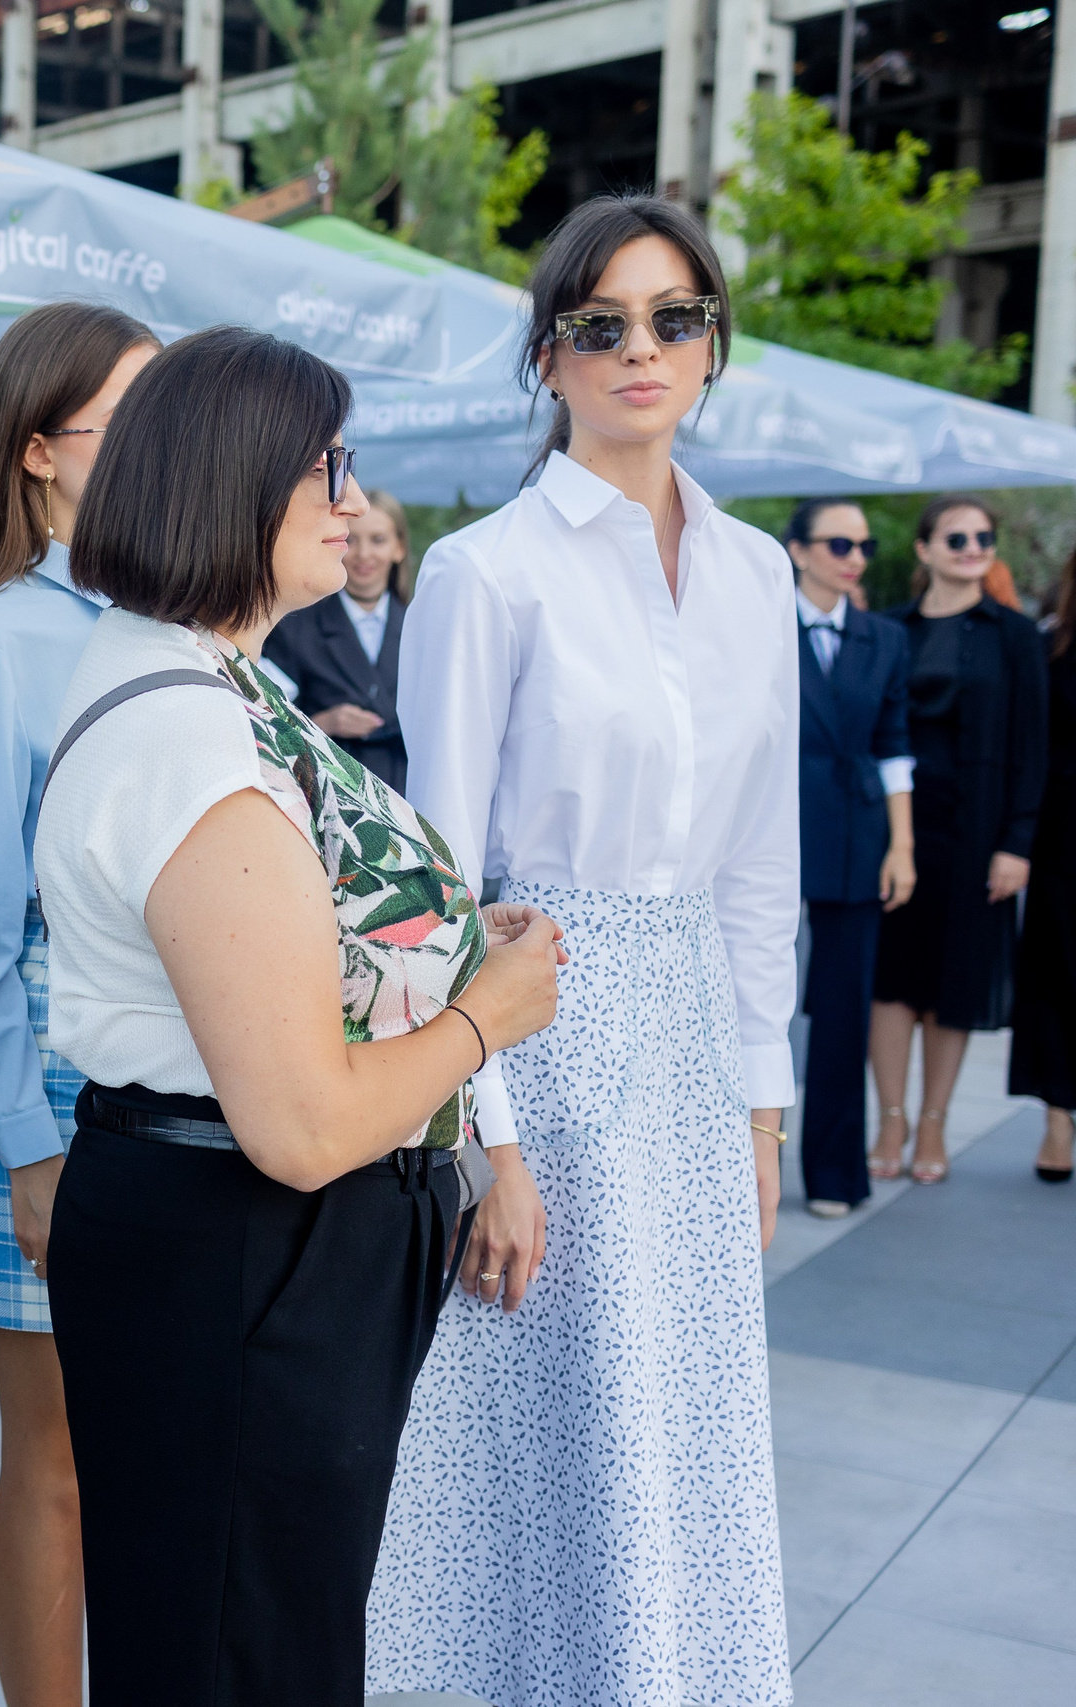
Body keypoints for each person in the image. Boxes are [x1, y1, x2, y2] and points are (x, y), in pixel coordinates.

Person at [37, 323, 561, 1707]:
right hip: (245, 1242)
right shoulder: (190, 732)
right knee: (244, 1648)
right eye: (327, 466)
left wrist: (437, 945)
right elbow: (306, 1122)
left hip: (236, 1241)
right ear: (232, 481)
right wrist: (488, 1014)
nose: (352, 498)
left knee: (252, 1629)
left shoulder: (208, 677)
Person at [368, 193, 800, 1707]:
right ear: (547, 357)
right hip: (537, 1035)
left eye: (675, 317)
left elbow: (762, 865)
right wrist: (489, 1139)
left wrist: (763, 1103)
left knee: (681, 1431)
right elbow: (432, 877)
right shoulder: (490, 571)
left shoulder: (757, 574)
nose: (642, 349)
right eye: (602, 324)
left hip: (691, 1049)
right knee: (548, 1441)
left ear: (712, 345)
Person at [0, 300, 155, 1707]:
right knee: (57, 1454)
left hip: (194, 1069)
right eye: (114, 424)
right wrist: (28, 1140)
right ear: (34, 456)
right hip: (50, 1083)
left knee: (169, 1453)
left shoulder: (184, 618)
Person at [869, 496, 1047, 1185]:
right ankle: (890, 1119)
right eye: (958, 536)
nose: (973, 545)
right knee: (890, 982)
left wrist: (1018, 842)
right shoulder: (891, 630)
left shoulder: (1015, 635)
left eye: (984, 537)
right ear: (924, 549)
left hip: (978, 834)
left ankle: (934, 1124)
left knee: (956, 984)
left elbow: (1034, 748)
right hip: (897, 834)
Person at [783, 498, 915, 1217]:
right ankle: (747, 1169)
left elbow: (896, 743)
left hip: (860, 834)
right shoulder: (761, 627)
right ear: (800, 551)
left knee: (842, 1010)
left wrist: (904, 844)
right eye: (839, 543)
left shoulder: (884, 638)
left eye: (862, 545)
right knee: (759, 1004)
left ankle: (835, 1173)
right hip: (774, 830)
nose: (855, 557)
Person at [260, 484, 411, 790]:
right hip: (332, 792)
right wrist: (324, 722)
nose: (364, 555)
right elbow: (266, 722)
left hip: (410, 793)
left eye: (378, 540)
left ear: (399, 548)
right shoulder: (292, 628)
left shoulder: (423, 627)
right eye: (352, 541)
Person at [1011, 554, 1076, 1183]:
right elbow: (1033, 745)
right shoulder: (1050, 645)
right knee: (1060, 979)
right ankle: (1058, 1118)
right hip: (1065, 838)